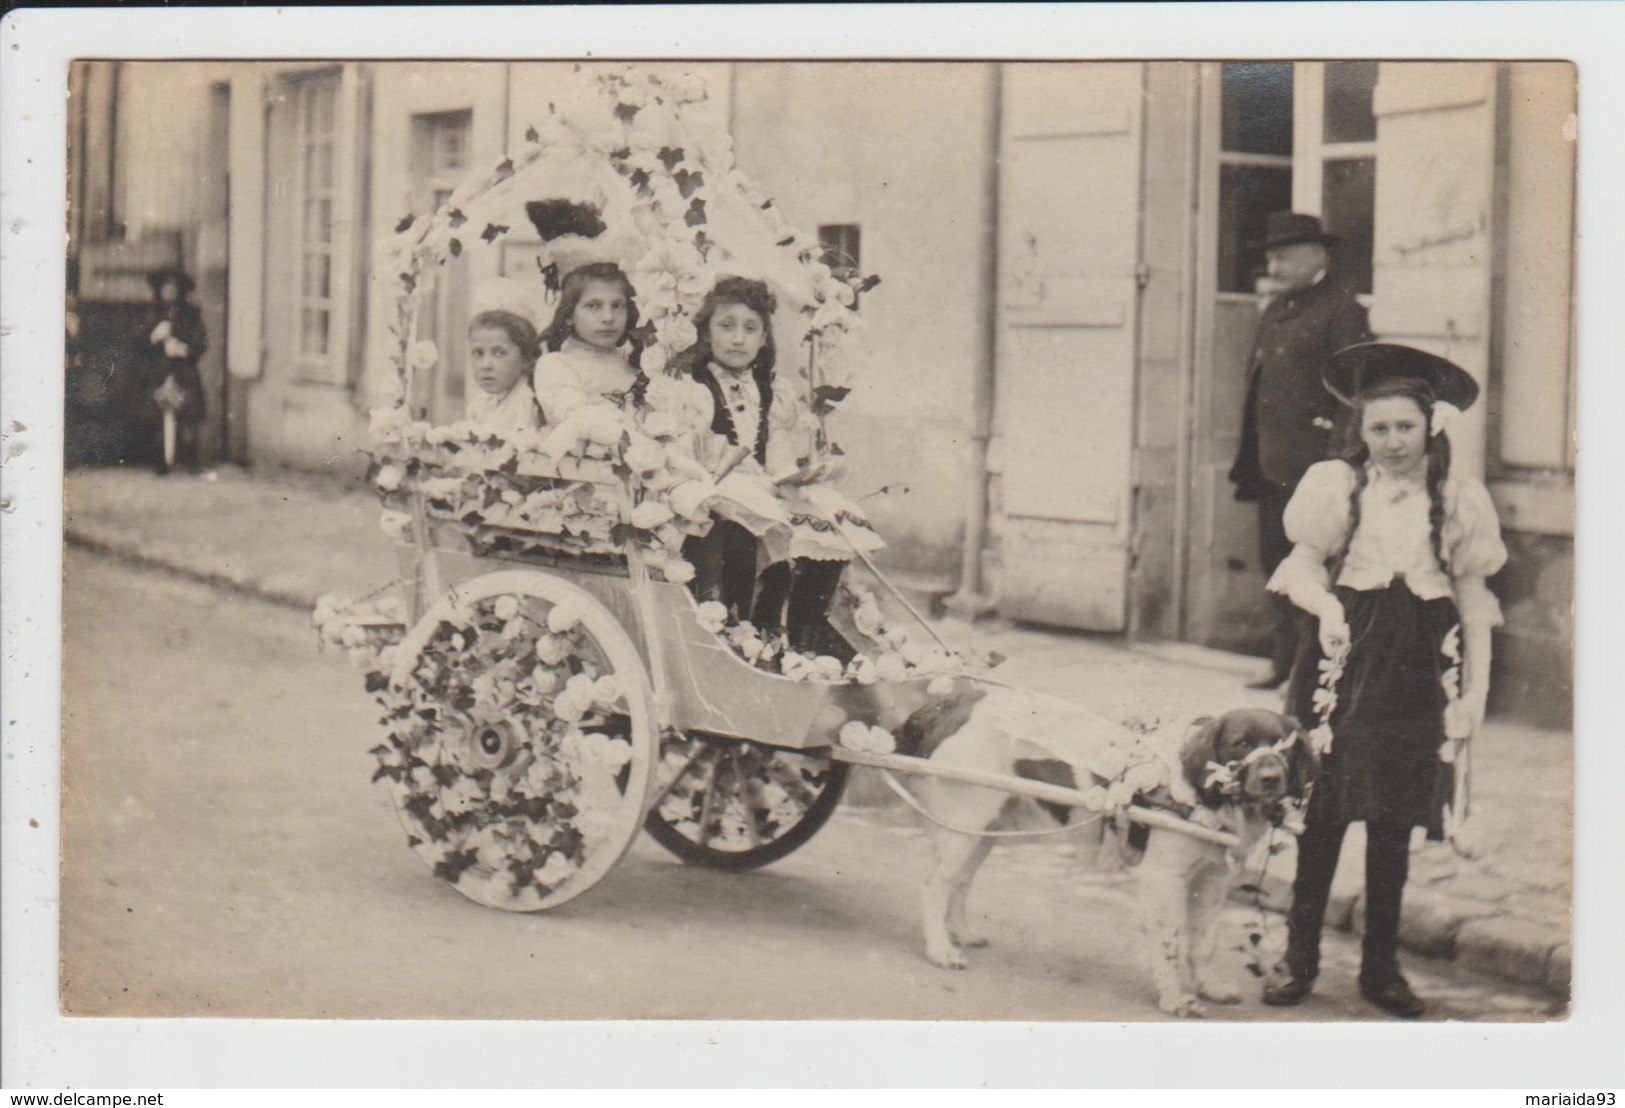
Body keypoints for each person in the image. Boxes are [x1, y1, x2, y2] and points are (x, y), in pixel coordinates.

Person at [1260, 342, 1506, 1018]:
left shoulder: (1457, 499)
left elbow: (1473, 599)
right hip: (1340, 661)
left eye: (1404, 427)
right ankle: (1298, 958)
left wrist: (1474, 699)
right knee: (1321, 815)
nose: (1392, 442)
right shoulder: (1335, 486)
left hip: (1417, 668)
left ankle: (1380, 969)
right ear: (1359, 431)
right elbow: (1301, 567)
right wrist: (1328, 607)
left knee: (1394, 822)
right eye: (1378, 428)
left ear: (1429, 427)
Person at [1229, 212, 1372, 689]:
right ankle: (1285, 660)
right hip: (1273, 460)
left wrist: (1339, 459)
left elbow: (1356, 392)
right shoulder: (1277, 309)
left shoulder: (1342, 310)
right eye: (1271, 256)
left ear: (1317, 255)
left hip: (1315, 466)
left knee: (1316, 564)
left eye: (1284, 255)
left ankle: (1314, 666)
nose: (1274, 265)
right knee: (1277, 560)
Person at [666, 276, 796, 621]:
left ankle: (773, 630)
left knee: (805, 533)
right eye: (726, 326)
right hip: (713, 488)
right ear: (706, 333)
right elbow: (686, 453)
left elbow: (779, 453)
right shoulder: (694, 389)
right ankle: (725, 621)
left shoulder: (771, 392)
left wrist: (787, 481)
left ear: (764, 337)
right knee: (729, 528)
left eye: (751, 328)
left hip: (761, 491)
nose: (738, 338)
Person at [532, 262, 643, 425]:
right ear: (569, 315)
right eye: (594, 306)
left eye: (617, 306)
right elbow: (579, 423)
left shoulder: (632, 363)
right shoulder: (556, 365)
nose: (608, 317)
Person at [141, 268, 208, 475]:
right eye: (165, 288)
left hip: (183, 370)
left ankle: (190, 458)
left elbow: (201, 342)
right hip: (160, 370)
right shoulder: (153, 312)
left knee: (189, 413)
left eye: (173, 288)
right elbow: (139, 342)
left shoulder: (192, 314)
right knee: (159, 414)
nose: (168, 293)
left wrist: (183, 348)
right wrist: (154, 337)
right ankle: (161, 460)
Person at [463, 278, 541, 434]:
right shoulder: (483, 403)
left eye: (499, 353)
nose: (486, 365)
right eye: (478, 353)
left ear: (525, 357)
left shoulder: (527, 406)